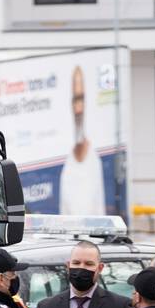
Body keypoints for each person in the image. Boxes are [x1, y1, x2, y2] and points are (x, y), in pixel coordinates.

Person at [58, 66, 106, 216]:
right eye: (75, 100)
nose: (78, 109)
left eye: (81, 100)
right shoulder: (68, 161)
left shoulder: (93, 161)